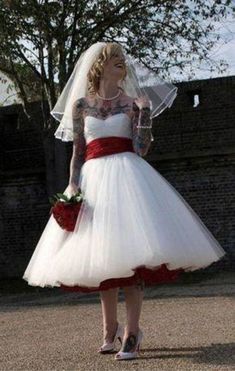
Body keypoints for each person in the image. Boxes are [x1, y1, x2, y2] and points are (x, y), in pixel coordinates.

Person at [22, 42, 226, 361]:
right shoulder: (81, 106)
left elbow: (142, 148)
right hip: (93, 182)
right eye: (116, 61)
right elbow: (77, 151)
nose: (123, 66)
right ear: (100, 66)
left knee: (133, 261)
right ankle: (109, 329)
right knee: (103, 258)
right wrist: (73, 186)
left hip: (130, 179)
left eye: (123, 61)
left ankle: (132, 333)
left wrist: (145, 114)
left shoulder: (132, 103)